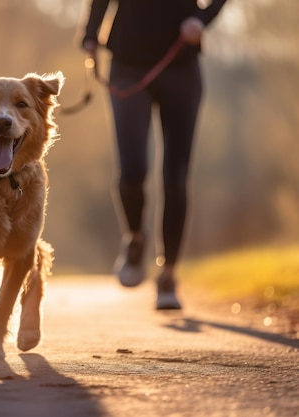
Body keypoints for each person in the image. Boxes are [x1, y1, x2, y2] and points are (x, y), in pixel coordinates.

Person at [80, 0, 227, 309]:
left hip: (181, 64)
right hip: (127, 64)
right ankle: (135, 237)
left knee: (175, 175)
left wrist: (202, 18)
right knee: (132, 170)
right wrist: (91, 34)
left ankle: (168, 276)